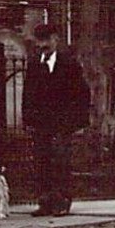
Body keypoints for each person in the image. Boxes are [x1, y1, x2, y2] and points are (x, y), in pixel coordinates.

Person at [23, 24, 89, 216]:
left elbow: (82, 95)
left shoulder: (69, 64)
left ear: (55, 40)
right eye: (40, 41)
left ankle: (62, 202)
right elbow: (28, 94)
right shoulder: (34, 64)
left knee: (61, 162)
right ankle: (45, 202)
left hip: (62, 124)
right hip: (41, 124)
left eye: (47, 40)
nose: (43, 45)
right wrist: (28, 120)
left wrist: (77, 123)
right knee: (42, 161)